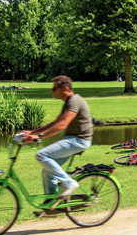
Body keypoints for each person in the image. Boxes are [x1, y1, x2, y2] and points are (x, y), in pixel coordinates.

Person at [20, 76, 92, 217]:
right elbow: (54, 123)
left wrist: (39, 137)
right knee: (47, 170)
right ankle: (51, 206)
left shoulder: (74, 101)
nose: (52, 91)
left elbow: (62, 125)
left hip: (79, 140)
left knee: (41, 155)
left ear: (64, 88)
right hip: (72, 139)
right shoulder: (68, 102)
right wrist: (32, 133)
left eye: (54, 88)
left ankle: (68, 183)